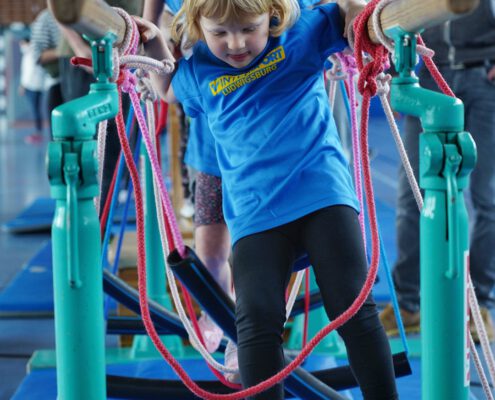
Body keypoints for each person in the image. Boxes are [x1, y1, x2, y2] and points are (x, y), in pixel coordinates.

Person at [136, 0, 398, 399]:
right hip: (255, 214)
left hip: (321, 195)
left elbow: (353, 16)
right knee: (256, 324)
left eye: (249, 29)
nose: (236, 43)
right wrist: (153, 37)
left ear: (272, 16)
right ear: (198, 26)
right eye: (220, 33)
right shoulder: (200, 68)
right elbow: (166, 89)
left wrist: (359, 10)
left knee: (353, 309)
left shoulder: (301, 34)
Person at [379, 0, 495, 343]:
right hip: (428, 73)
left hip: (484, 75)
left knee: (488, 198)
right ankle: (407, 303)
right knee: (412, 193)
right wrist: (392, 71)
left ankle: (478, 305)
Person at [29, 8, 63, 141]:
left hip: (88, 83)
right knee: (59, 138)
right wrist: (67, 50)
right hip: (58, 84)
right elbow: (37, 55)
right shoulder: (47, 18)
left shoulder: (88, 10)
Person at [18, 37, 47, 144]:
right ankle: (38, 132)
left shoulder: (32, 54)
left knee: (35, 110)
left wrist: (24, 85)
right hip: (33, 85)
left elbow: (30, 72)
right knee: (35, 110)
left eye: (23, 44)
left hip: (33, 86)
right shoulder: (28, 55)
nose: (21, 47)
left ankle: (38, 133)